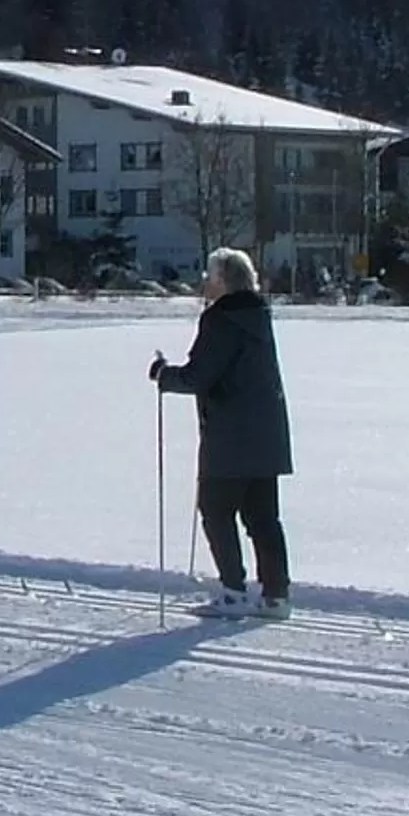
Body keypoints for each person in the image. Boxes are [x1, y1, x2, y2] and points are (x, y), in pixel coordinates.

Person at [150, 246, 294, 619]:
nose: (205, 284)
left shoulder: (221, 319)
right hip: (266, 432)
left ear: (223, 280)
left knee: (215, 510)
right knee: (263, 517)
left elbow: (200, 376)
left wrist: (165, 375)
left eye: (209, 277)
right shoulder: (258, 314)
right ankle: (276, 595)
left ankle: (233, 591)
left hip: (230, 435)